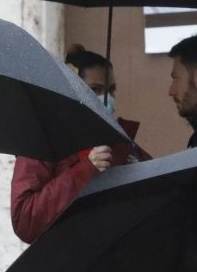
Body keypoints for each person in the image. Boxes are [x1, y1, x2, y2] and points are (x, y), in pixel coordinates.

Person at [10, 47, 142, 243]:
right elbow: (26, 221)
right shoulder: (42, 141)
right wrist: (85, 170)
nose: (108, 99)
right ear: (71, 89)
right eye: (96, 89)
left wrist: (140, 173)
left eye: (111, 90)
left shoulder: (123, 143)